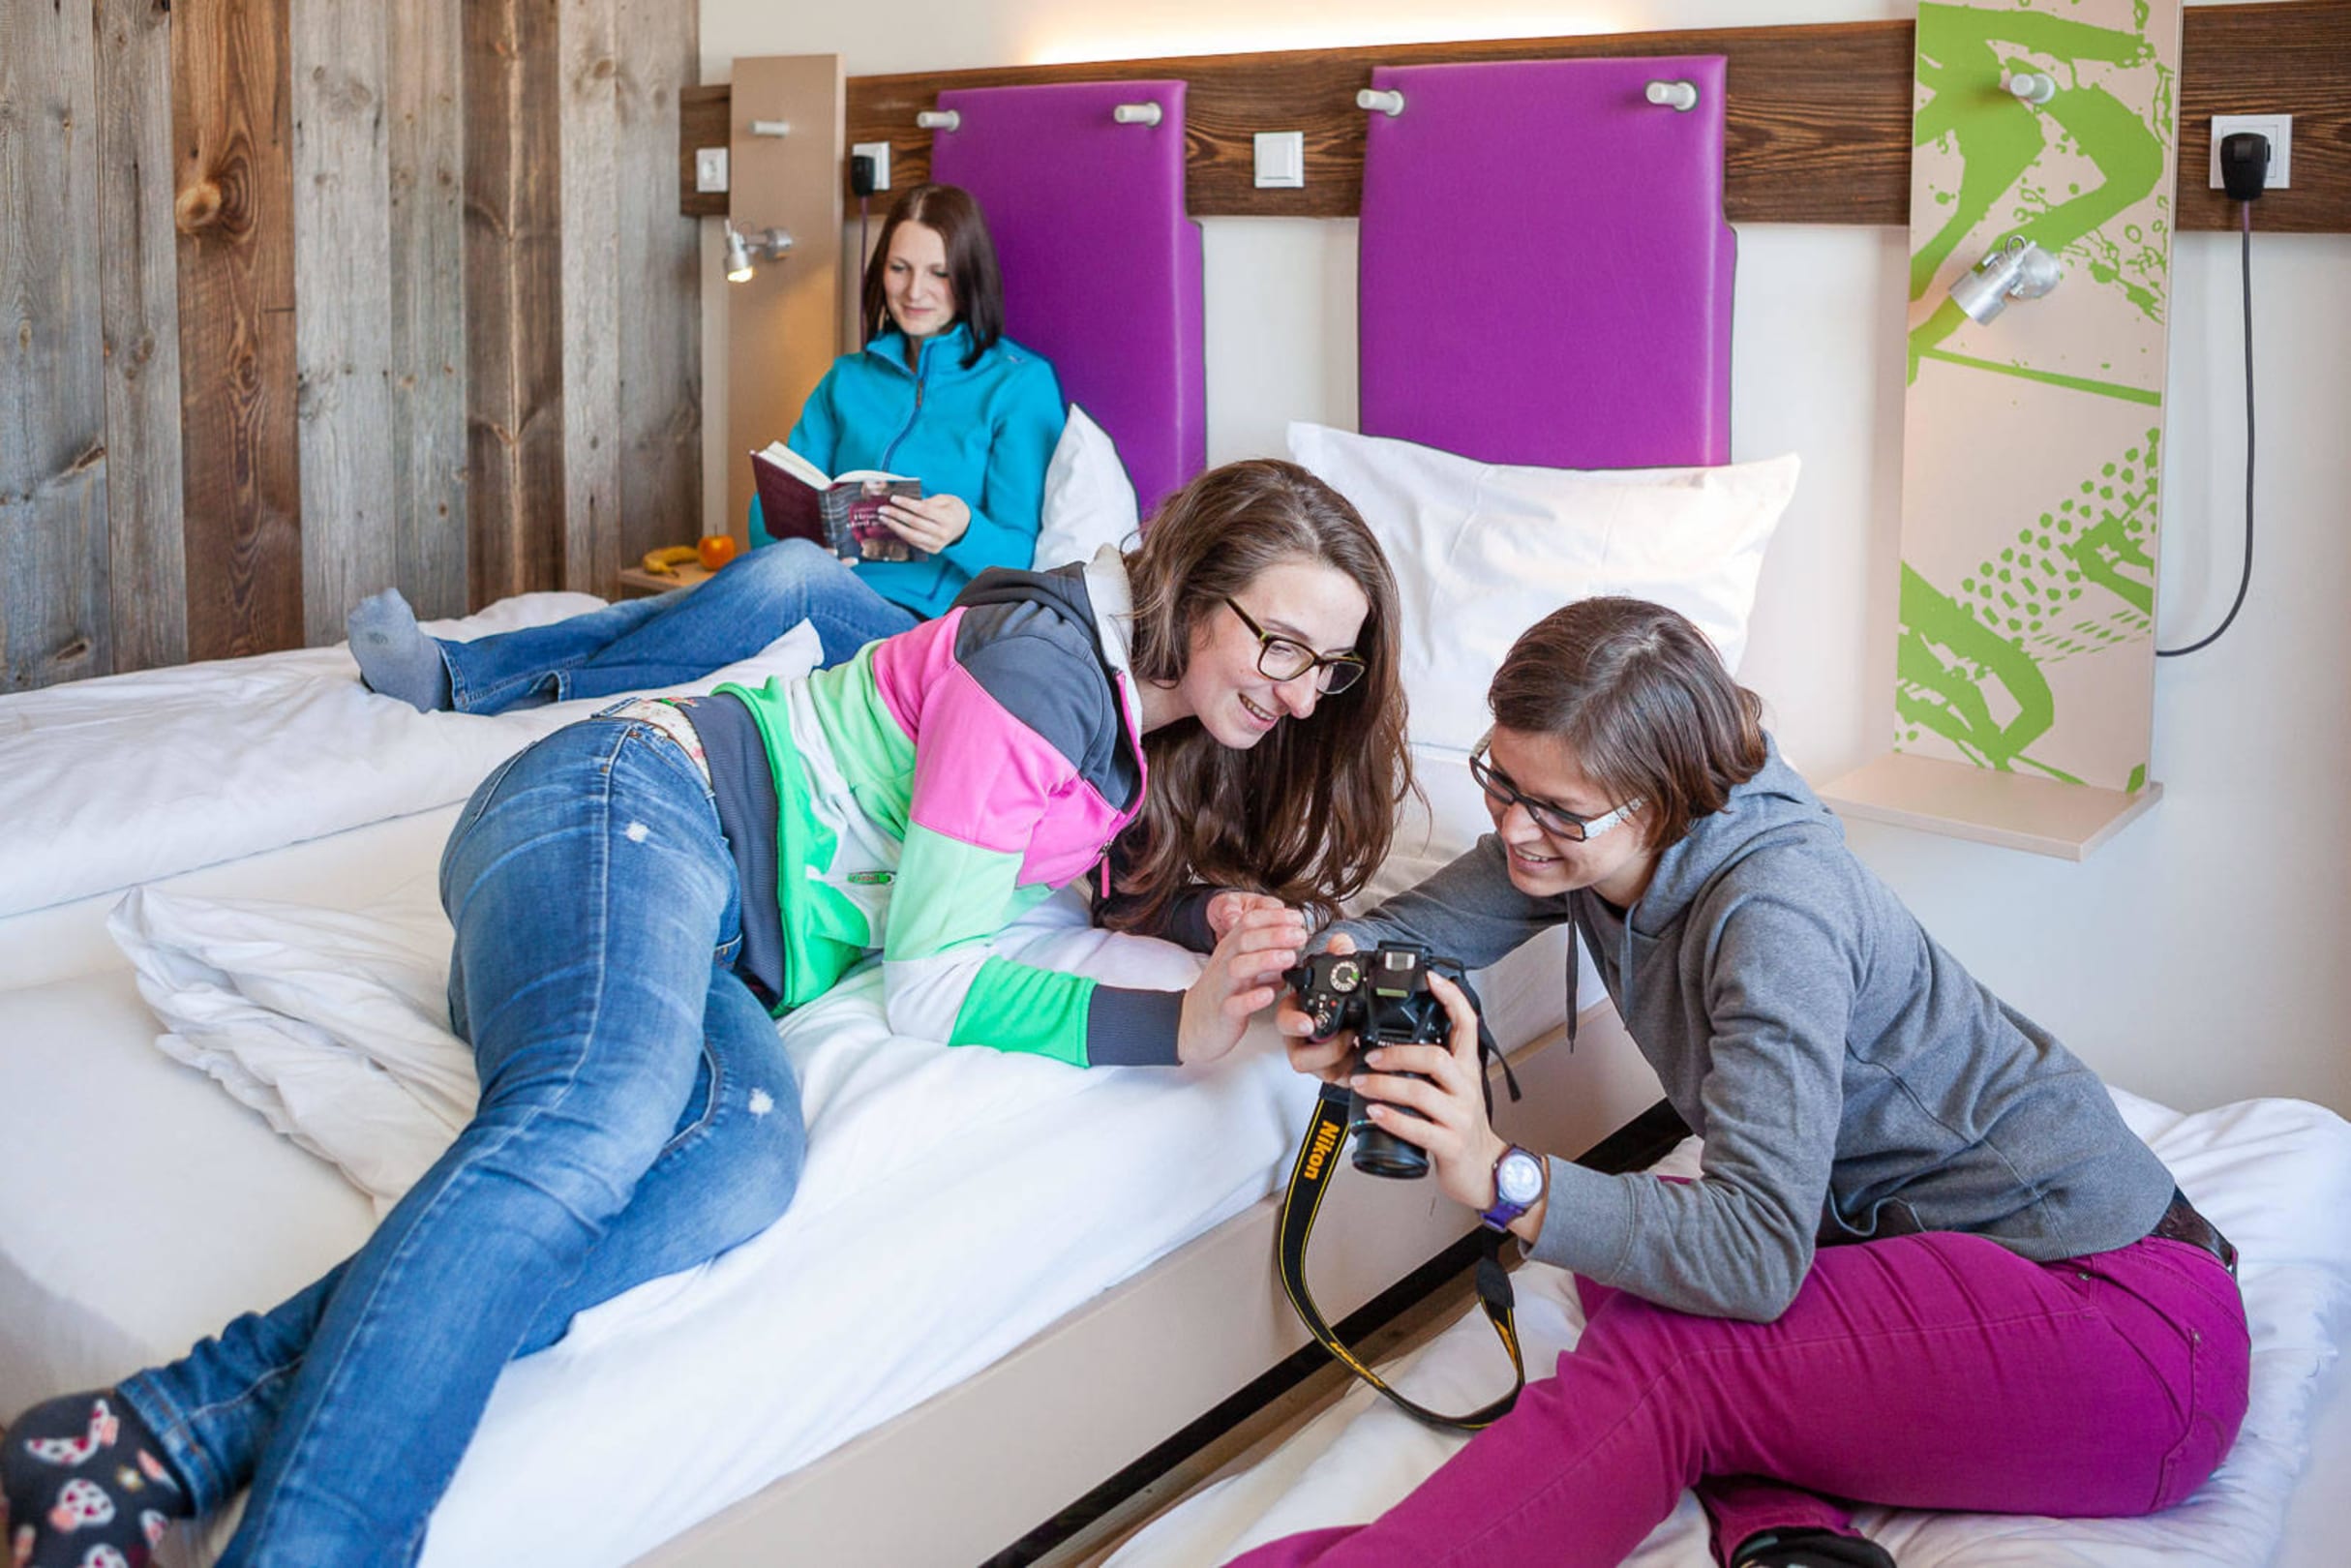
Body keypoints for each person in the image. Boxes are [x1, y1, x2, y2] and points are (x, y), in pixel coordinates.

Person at [2, 460, 1410, 1568]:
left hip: (710, 934)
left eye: (1328, 669)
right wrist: (1169, 1031)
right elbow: (929, 984)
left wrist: (1228, 923)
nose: (1297, 696)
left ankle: (151, 1431)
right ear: (1191, 585)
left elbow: (1097, 869)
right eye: (1279, 645)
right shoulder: (1045, 672)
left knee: (737, 1158)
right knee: (595, 1116)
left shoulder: (1136, 713)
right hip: (630, 804)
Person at [1247, 597, 2248, 1568]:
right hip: (1932, 1256)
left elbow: (1757, 1258)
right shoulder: (1591, 841)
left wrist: (1501, 1174)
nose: (1515, 829)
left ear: (1659, 798)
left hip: (2127, 1333)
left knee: (1669, 1352)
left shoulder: (1775, 914)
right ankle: (1787, 1530)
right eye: (1499, 781)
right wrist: (1329, 980)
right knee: (1626, 1257)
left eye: (1556, 810)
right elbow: (1399, 932)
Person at [347, 182, 1066, 714]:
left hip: (912, 631)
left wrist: (961, 529)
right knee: (655, 611)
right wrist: (802, 524)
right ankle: (449, 671)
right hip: (812, 577)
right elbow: (769, 514)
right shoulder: (850, 378)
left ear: (968, 275)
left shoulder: (1018, 385)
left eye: (938, 272)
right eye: (900, 268)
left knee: (784, 574)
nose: (915, 291)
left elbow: (1026, 561)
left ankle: (518, 686)